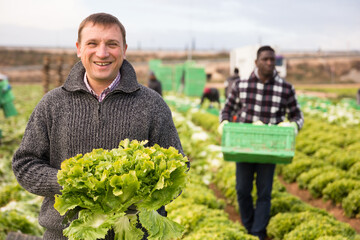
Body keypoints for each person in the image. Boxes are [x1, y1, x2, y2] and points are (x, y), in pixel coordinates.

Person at [12, 13, 185, 240]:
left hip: (130, 235)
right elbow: (24, 164)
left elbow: (178, 171)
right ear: (79, 48)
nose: (102, 53)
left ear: (124, 49)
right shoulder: (52, 104)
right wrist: (71, 183)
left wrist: (134, 195)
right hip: (64, 235)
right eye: (92, 43)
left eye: (112, 44)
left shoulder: (152, 105)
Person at [219, 46, 304, 240]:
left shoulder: (285, 88)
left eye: (272, 60)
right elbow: (226, 109)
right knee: (242, 190)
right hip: (244, 146)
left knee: (264, 192)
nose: (269, 63)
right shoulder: (241, 85)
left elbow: (298, 115)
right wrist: (223, 123)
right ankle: (248, 227)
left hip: (270, 147)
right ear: (256, 62)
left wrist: (293, 126)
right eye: (265, 59)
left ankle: (258, 233)